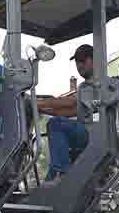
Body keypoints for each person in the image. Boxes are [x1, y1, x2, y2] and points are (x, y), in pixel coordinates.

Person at [36, 43, 94, 179]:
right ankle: (48, 187)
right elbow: (67, 112)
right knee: (57, 124)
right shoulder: (85, 87)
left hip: (94, 133)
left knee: (55, 124)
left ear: (93, 60)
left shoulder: (97, 83)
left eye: (82, 60)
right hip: (86, 133)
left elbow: (68, 102)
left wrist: (36, 102)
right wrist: (40, 108)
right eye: (77, 61)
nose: (79, 65)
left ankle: (61, 172)